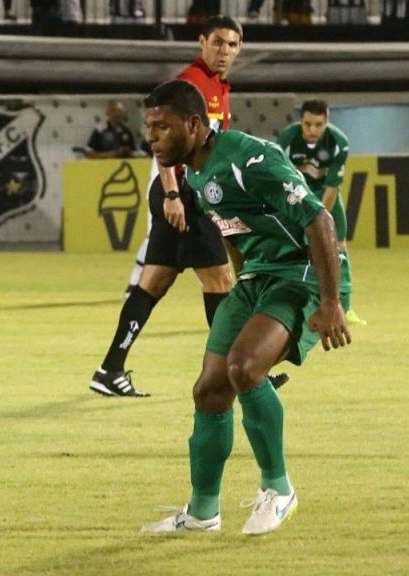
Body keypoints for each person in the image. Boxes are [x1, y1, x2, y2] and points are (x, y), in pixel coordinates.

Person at [138, 80, 351, 535]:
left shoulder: (250, 159)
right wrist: (243, 278)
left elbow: (319, 218)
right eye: (148, 127)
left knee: (244, 367)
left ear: (194, 124)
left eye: (162, 126)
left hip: (303, 273)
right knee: (208, 392)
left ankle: (279, 489)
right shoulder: (195, 171)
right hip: (258, 276)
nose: (152, 137)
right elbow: (232, 227)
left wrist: (332, 301)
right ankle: (202, 513)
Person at [92, 15, 253, 397]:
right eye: (217, 42)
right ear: (202, 42)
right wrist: (171, 193)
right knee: (220, 282)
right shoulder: (189, 84)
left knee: (152, 284)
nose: (224, 51)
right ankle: (235, 373)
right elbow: (161, 139)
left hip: (187, 193)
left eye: (231, 45)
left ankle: (110, 369)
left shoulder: (217, 86)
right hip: (184, 194)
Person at [277, 99, 365, 326]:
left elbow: (332, 188)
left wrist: (319, 220)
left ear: (327, 122)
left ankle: (345, 308)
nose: (312, 130)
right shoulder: (286, 141)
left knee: (338, 248)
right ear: (300, 121)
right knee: (289, 248)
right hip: (295, 198)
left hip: (326, 199)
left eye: (318, 124)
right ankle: (293, 305)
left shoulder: (338, 142)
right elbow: (281, 181)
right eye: (307, 124)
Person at [74, 101, 141, 159]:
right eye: (113, 110)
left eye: (119, 111)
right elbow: (88, 153)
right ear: (107, 113)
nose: (116, 114)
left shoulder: (126, 132)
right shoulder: (99, 130)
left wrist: (126, 152)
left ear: (123, 114)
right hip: (102, 168)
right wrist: (113, 154)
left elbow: (133, 154)